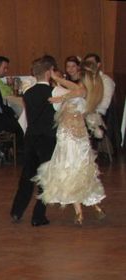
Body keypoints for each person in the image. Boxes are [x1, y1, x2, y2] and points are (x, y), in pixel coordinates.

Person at [32, 61, 106, 225]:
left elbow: (72, 92)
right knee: (81, 169)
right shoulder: (90, 90)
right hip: (78, 135)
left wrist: (58, 97)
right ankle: (94, 206)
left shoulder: (81, 91)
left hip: (69, 135)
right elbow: (73, 88)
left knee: (69, 168)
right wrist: (57, 78)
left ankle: (80, 212)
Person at [10, 55, 60, 226]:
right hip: (47, 139)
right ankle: (38, 216)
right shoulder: (53, 92)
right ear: (48, 73)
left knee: (27, 176)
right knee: (45, 178)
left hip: (31, 137)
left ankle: (17, 211)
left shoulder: (28, 93)